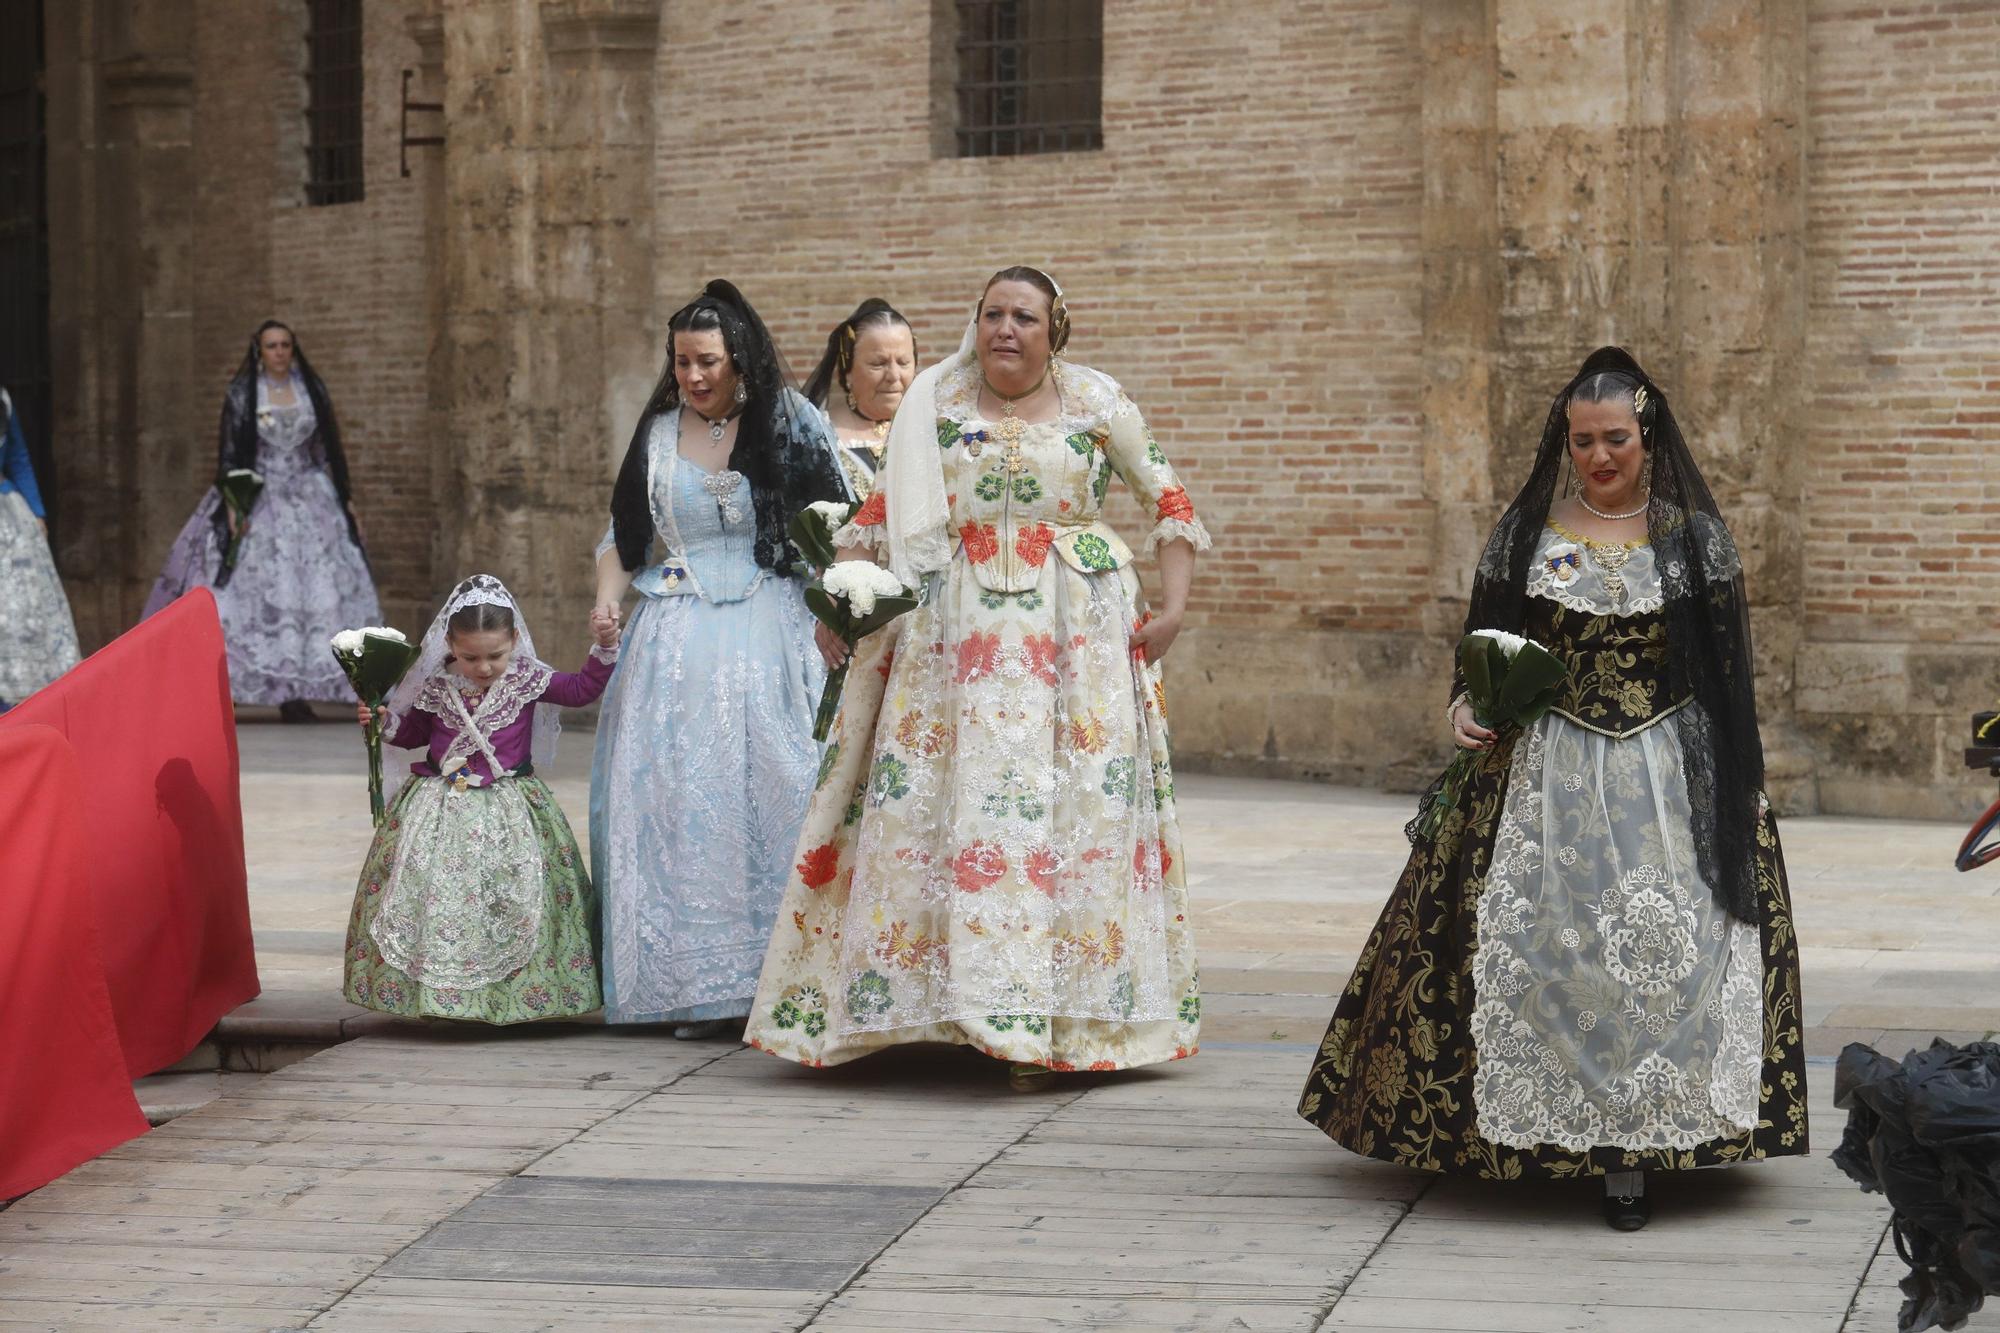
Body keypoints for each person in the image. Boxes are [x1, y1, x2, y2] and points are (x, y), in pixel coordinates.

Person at [1295, 347, 1808, 1230]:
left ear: (1646, 433)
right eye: (1582, 441)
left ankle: (1640, 1142)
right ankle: (1532, 1130)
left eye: (1615, 438)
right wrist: (1464, 705)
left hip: (1667, 776)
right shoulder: (1527, 536)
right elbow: (1482, 644)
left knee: (1664, 949)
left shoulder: (1695, 540)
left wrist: (1744, 780)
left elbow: (1727, 677)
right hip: (1542, 770)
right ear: (1563, 442)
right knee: (1542, 940)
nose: (1599, 457)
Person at [745, 266, 1209, 1089]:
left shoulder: (1100, 402)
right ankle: (942, 1005)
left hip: (1079, 642)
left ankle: (1062, 1012)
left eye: (1023, 316)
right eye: (992, 313)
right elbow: (876, 519)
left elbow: (1171, 505)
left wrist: (1170, 608)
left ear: (1054, 327)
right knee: (940, 807)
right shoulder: (934, 403)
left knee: (1069, 813)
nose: (1005, 329)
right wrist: (838, 600)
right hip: (946, 641)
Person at [591, 280, 851, 1037]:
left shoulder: (791, 422)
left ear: (740, 360)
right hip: (676, 639)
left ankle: (785, 976)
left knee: (781, 784)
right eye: (681, 362)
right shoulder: (657, 433)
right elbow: (624, 537)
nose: (694, 376)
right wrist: (607, 599)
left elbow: (837, 530)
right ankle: (694, 984)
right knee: (679, 799)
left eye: (707, 361)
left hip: (777, 629)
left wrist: (837, 613)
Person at [343, 574, 618, 1023]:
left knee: (510, 896)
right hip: (437, 807)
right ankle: (435, 995)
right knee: (435, 896)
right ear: (449, 643)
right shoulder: (437, 686)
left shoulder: (527, 679)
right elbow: (414, 734)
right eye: (470, 657)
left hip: (510, 806)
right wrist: (382, 722)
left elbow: (580, 690)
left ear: (514, 639)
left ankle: (516, 994)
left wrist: (603, 647)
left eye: (496, 655)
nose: (484, 667)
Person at [145, 320, 380, 721]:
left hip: (310, 496)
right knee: (246, 593)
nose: (279, 352)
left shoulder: (312, 390)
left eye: (286, 344)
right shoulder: (241, 394)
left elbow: (326, 451)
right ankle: (233, 685)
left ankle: (298, 693)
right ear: (259, 349)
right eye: (272, 345)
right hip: (258, 495)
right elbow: (231, 453)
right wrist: (235, 508)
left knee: (316, 592)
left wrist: (346, 502)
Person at [0, 386, 81, 708]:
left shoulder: (2, 399)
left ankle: (17, 698)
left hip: (8, 516)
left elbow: (19, 458)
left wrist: (36, 511)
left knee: (20, 607)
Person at [801, 298, 917, 504]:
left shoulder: (931, 430)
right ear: (848, 372)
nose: (894, 375)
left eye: (903, 362)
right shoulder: (820, 439)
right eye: (878, 363)